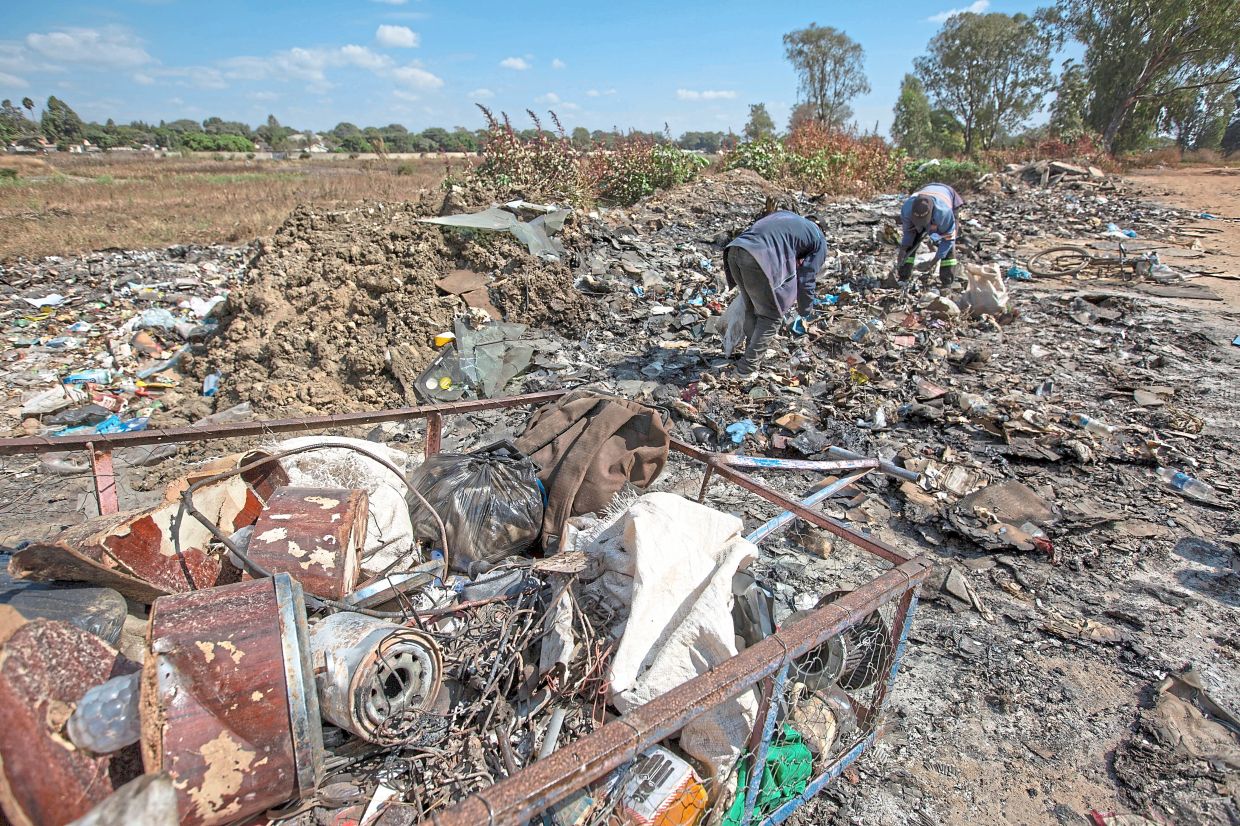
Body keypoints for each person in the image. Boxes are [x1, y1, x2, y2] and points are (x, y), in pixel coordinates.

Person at [723, 211, 827, 376]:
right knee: (771, 316)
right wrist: (805, 312)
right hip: (758, 256)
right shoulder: (818, 237)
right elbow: (806, 277)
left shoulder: (786, 217)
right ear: (822, 228)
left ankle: (750, 353)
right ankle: (746, 369)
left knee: (752, 308)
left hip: (734, 250)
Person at [897, 182, 963, 285]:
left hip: (947, 194)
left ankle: (947, 281)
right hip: (928, 190)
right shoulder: (907, 209)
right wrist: (903, 249)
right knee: (912, 241)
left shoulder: (944, 214)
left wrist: (934, 261)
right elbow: (908, 232)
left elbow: (948, 239)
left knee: (949, 247)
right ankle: (903, 277)